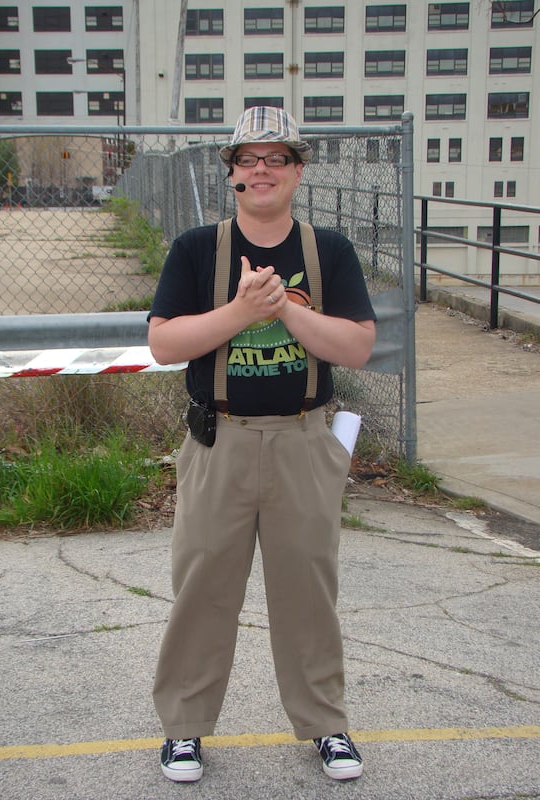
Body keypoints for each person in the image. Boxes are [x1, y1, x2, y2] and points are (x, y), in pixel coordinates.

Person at [148, 106, 376, 783]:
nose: (263, 169)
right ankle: (184, 729)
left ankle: (326, 723)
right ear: (233, 176)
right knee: (203, 586)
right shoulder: (197, 249)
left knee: (308, 587)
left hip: (306, 441)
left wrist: (285, 310)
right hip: (218, 440)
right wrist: (243, 311)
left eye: (277, 157)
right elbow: (164, 343)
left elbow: (357, 347)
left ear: (299, 170)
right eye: (249, 159)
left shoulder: (327, 250)